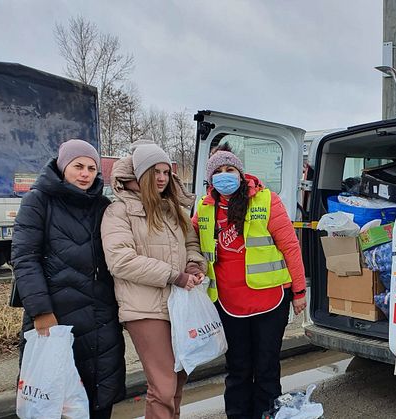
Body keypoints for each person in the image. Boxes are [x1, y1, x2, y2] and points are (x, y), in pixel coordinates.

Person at [11, 139, 126, 419]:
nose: (85, 173)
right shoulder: (38, 201)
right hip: (55, 317)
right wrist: (41, 311)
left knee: (100, 393)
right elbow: (25, 258)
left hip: (101, 315)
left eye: (91, 168)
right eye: (78, 166)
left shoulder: (102, 205)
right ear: (63, 167)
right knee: (55, 399)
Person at [192, 147, 307, 419]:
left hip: (270, 301)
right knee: (238, 368)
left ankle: (267, 414)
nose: (224, 176)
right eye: (217, 172)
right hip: (228, 304)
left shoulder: (267, 200)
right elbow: (189, 241)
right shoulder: (205, 208)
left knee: (266, 367)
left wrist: (300, 291)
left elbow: (291, 247)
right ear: (210, 179)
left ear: (240, 174)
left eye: (229, 170)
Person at [101, 141, 206, 418]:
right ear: (139, 174)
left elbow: (191, 243)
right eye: (154, 172)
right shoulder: (119, 211)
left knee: (178, 380)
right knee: (163, 386)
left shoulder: (172, 209)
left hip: (178, 307)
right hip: (144, 309)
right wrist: (175, 276)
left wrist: (194, 264)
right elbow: (120, 261)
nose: (161, 178)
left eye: (165, 172)